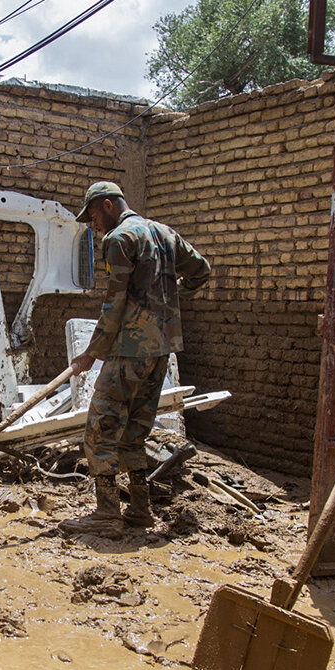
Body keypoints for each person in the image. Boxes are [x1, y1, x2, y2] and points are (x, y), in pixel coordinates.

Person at [61, 181, 211, 534]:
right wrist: (168, 299)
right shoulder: (163, 233)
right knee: (135, 433)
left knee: (100, 428)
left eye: (94, 215)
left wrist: (91, 354)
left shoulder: (117, 240)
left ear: (109, 205)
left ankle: (107, 513)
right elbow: (201, 270)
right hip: (160, 351)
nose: (93, 224)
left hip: (129, 350)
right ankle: (140, 510)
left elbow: (114, 305)